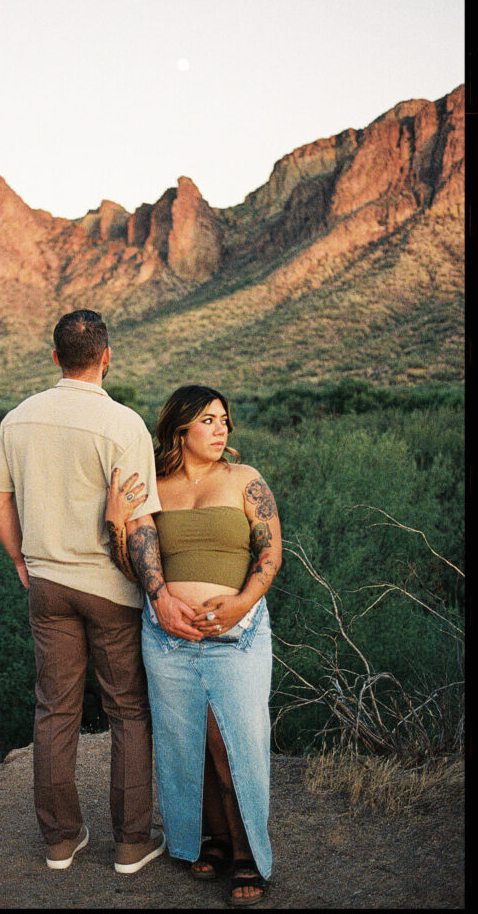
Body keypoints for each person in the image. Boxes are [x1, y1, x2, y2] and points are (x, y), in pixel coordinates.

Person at [0, 309, 172, 874]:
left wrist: (21, 559)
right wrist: (159, 589)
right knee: (128, 712)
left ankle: (61, 841)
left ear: (54, 358)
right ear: (107, 357)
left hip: (47, 584)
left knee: (55, 710)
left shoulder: (18, 420)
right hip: (111, 588)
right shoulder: (124, 425)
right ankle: (132, 844)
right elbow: (138, 523)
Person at [105, 384, 282, 907]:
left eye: (224, 418)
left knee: (235, 743)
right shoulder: (154, 488)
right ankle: (215, 840)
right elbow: (131, 563)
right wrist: (117, 518)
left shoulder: (246, 481)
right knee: (189, 743)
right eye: (208, 420)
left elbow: (270, 555)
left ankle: (249, 851)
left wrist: (241, 603)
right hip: (168, 637)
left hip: (239, 634)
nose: (221, 427)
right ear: (180, 430)